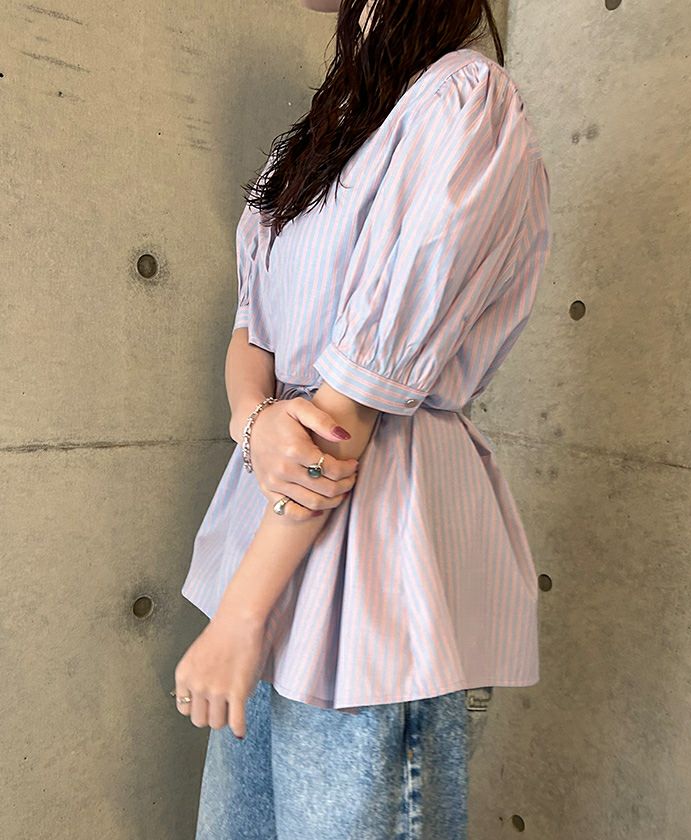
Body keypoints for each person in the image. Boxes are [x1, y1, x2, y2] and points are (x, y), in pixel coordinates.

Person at [175, 0, 553, 837]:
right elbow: (252, 329)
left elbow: (352, 405)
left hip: (376, 579)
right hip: (269, 561)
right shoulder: (321, 132)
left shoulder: (462, 99)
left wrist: (241, 615)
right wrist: (254, 421)